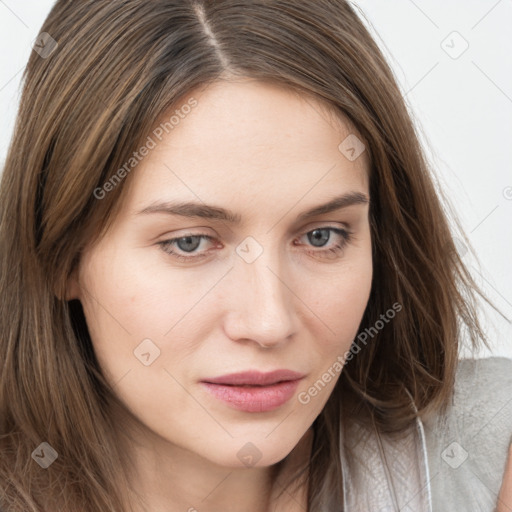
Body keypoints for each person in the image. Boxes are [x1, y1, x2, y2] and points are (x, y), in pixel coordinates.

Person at [0, 1, 510, 511]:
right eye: (190, 243)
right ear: (61, 253)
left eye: (321, 236)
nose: (268, 323)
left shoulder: (488, 454)